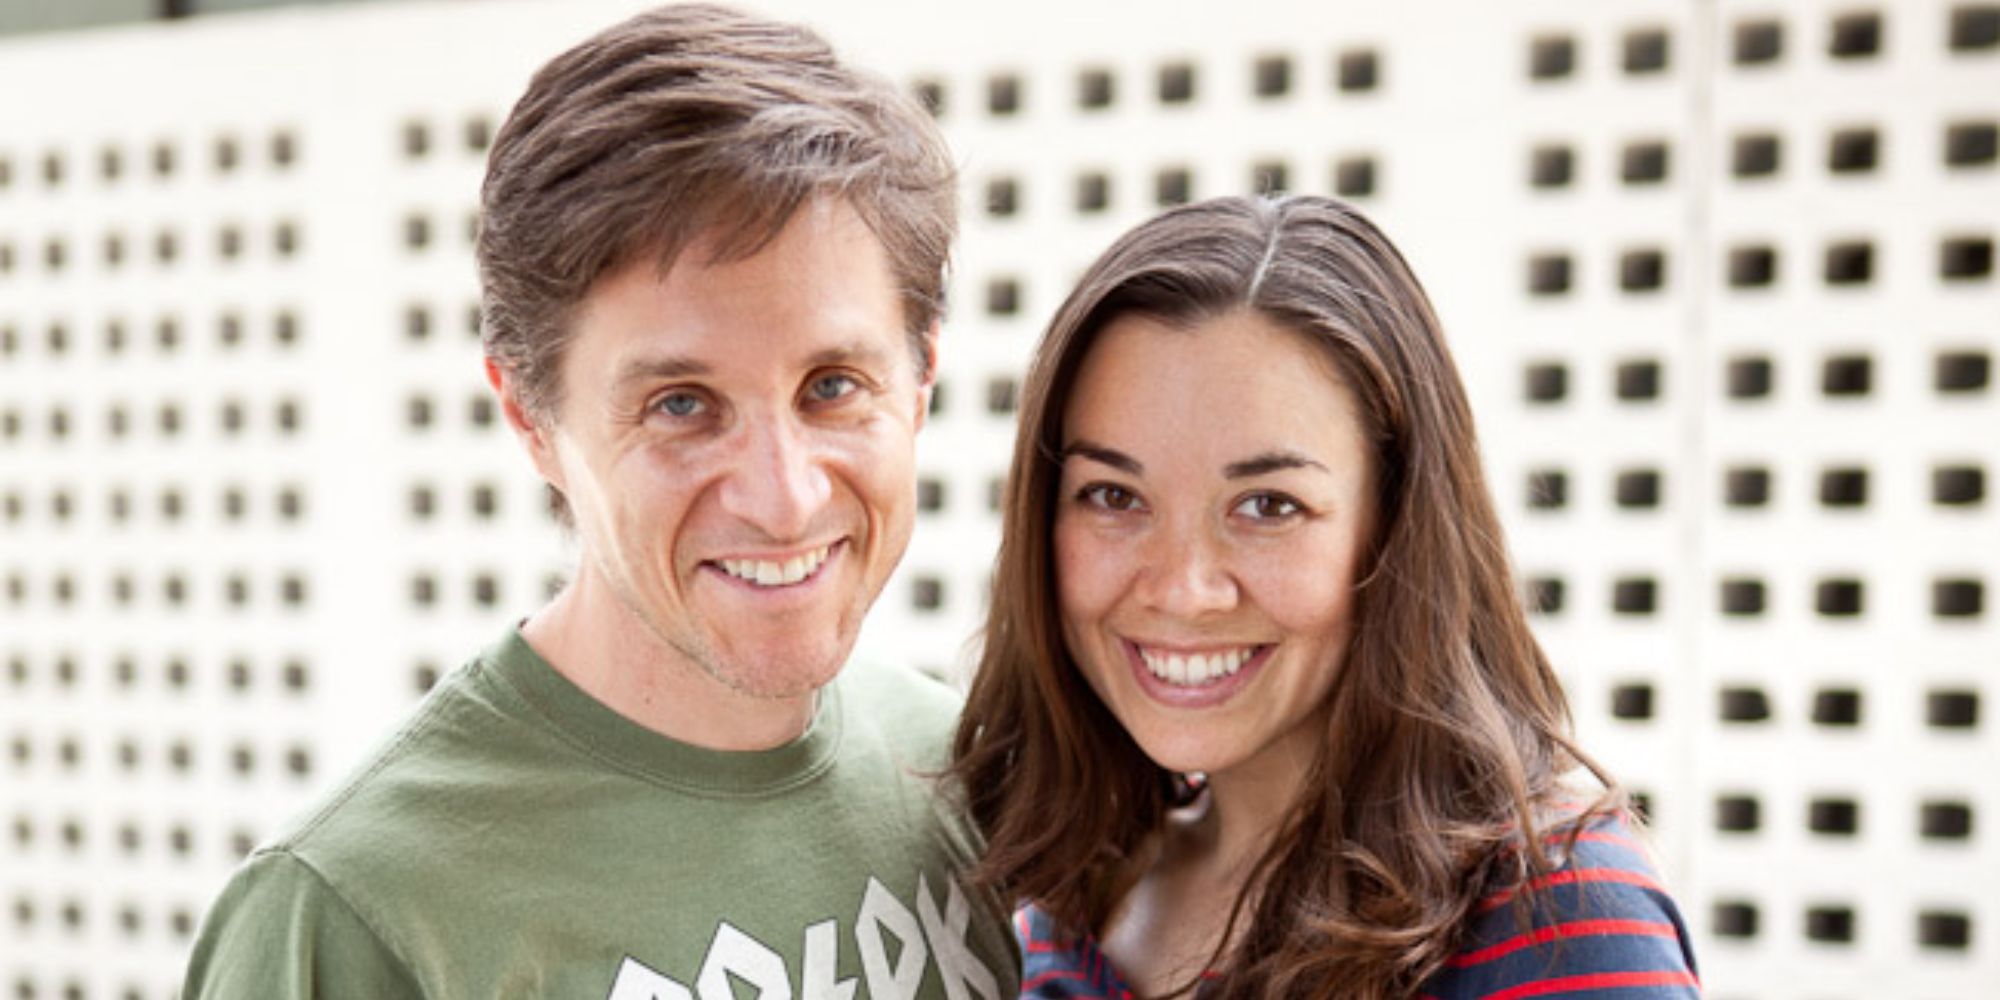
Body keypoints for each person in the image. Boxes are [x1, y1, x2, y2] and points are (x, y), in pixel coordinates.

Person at [183, 5, 1018, 997]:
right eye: (680, 404)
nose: (783, 497)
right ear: (530, 416)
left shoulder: (973, 773)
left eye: (832, 385)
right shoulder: (353, 915)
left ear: (920, 377)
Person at [951, 195, 1699, 999]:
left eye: (1269, 506)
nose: (1182, 588)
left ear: (1395, 526)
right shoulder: (1059, 899)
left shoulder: (1555, 921)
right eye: (1112, 496)